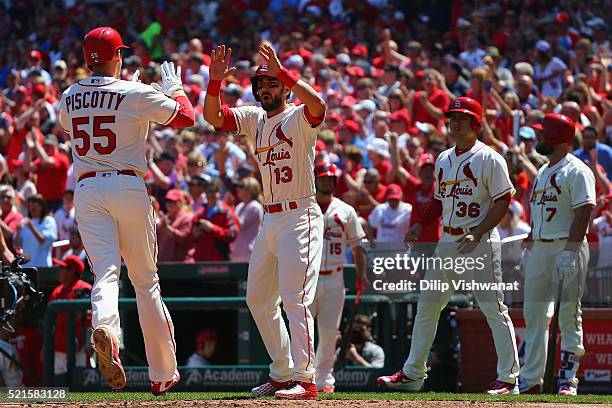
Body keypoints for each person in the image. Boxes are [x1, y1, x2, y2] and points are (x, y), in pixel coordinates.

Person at [58, 27, 194, 395]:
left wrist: (129, 99)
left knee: (105, 273)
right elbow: (185, 117)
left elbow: (81, 120)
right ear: (117, 56)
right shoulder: (133, 92)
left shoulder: (69, 95)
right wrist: (172, 91)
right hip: (127, 184)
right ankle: (162, 373)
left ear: (89, 59)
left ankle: (105, 326)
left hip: (86, 187)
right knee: (146, 281)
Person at [203, 43, 326, 400]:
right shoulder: (255, 119)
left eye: (271, 83)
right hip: (271, 219)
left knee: (296, 299)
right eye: (260, 85)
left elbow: (319, 106)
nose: (265, 89)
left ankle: (306, 379)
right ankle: (282, 372)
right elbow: (214, 117)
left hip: (300, 213)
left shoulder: (299, 115)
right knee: (258, 299)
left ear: (285, 87)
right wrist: (213, 82)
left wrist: (284, 70)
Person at [378, 97, 520, 394]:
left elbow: (503, 201)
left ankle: (509, 379)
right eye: (452, 117)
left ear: (476, 124)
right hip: (449, 240)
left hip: (478, 241)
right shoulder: (443, 158)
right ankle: (413, 373)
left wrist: (479, 232)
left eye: (462, 118)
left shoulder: (489, 158)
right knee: (427, 305)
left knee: (493, 307)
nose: (455, 122)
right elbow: (439, 199)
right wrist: (420, 224)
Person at [520, 114, 596, 396]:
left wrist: (571, 251)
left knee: (568, 313)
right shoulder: (543, 170)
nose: (538, 138)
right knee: (535, 313)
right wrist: (532, 238)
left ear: (557, 138)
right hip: (541, 246)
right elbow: (540, 211)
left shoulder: (577, 170)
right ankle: (531, 379)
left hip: (567, 245)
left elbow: (584, 211)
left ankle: (567, 380)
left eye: (543, 134)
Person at [309, 162, 367, 393]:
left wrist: (361, 275)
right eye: (323, 178)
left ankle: (324, 380)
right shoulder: (304, 206)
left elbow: (358, 246)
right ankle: (302, 376)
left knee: (329, 332)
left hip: (335, 276)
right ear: (315, 180)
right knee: (302, 331)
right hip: (308, 277)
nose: (327, 182)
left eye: (330, 179)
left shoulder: (345, 210)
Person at [49, 255, 92, 375]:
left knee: (81, 387)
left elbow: (91, 322)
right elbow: (51, 323)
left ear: (72, 271)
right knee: (61, 386)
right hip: (59, 349)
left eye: (62, 267)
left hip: (80, 350)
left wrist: (89, 347)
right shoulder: (57, 291)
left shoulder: (85, 289)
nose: (59, 270)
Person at [191, 179, 239, 261]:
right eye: (208, 191)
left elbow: (232, 235)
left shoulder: (227, 212)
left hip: (220, 262)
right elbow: (191, 238)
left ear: (219, 193)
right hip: (200, 262)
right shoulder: (199, 213)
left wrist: (212, 228)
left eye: (213, 191)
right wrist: (194, 234)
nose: (210, 195)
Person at [14, 195, 57, 267]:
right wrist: (18, 232)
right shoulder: (24, 222)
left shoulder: (49, 220)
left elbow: (44, 242)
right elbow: (16, 244)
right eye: (30, 205)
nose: (32, 208)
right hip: (26, 267)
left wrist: (32, 228)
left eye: (35, 205)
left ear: (42, 207)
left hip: (43, 266)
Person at [230, 177, 264, 262]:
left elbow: (240, 224)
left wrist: (229, 209)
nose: (238, 189)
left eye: (241, 186)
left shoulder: (255, 206)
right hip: (236, 252)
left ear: (249, 190)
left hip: (249, 252)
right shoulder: (240, 205)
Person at [156, 189, 193, 263]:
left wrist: (168, 228)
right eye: (167, 201)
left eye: (173, 201)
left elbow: (184, 239)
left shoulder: (186, 218)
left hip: (180, 264)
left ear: (180, 202)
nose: (169, 204)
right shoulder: (165, 218)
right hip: (164, 263)